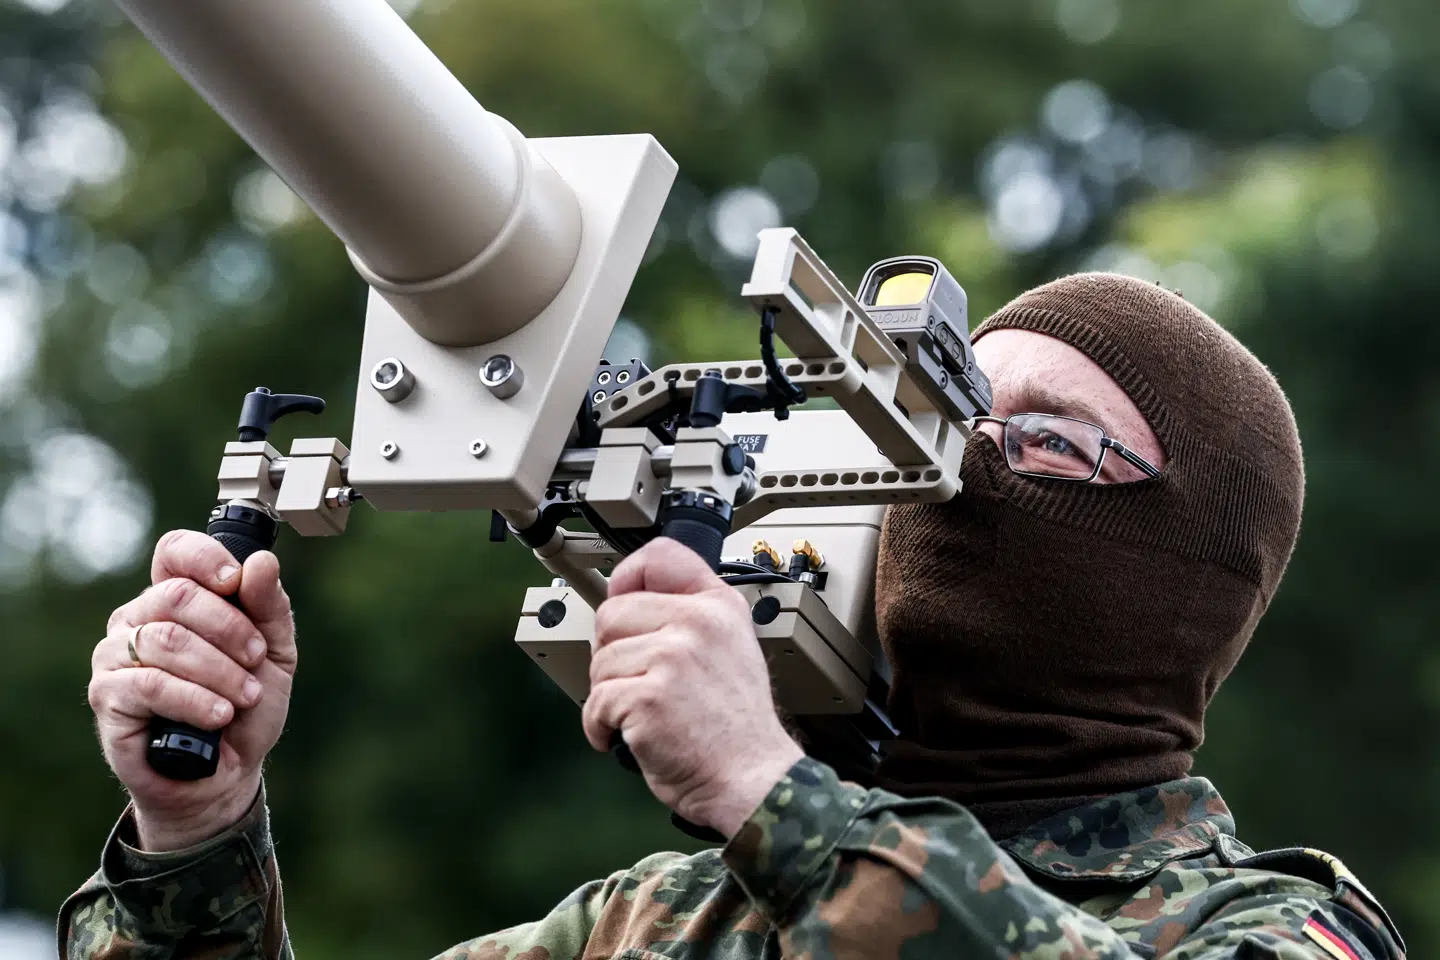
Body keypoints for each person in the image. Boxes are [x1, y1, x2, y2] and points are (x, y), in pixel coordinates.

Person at [62, 274, 1406, 960]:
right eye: (941, 410)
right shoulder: (658, 922)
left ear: (1183, 565)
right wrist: (198, 832)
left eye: (1041, 437)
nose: (955, 463)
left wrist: (774, 794)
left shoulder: (1269, 928)